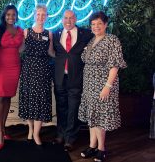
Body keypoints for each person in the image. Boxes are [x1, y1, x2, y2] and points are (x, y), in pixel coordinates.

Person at [78, 11, 127, 162]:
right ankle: (92, 146)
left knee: (99, 117)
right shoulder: (91, 41)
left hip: (103, 84)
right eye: (93, 24)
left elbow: (115, 65)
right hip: (89, 84)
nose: (96, 26)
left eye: (99, 23)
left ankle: (101, 149)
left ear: (106, 24)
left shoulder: (112, 40)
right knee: (92, 116)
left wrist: (107, 86)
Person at [53, 10, 93, 151]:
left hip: (76, 77)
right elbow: (54, 53)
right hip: (60, 77)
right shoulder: (56, 33)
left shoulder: (86, 34)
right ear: (62, 19)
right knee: (61, 106)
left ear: (76, 19)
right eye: (65, 18)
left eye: (71, 18)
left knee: (73, 108)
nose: (68, 21)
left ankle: (70, 138)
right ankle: (60, 134)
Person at [18, 4, 55, 146]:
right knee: (28, 99)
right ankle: (30, 129)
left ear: (47, 17)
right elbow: (21, 49)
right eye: (38, 14)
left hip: (43, 71)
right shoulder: (26, 32)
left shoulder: (49, 34)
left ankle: (36, 134)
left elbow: (50, 52)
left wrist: (66, 56)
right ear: (34, 15)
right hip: (28, 70)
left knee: (41, 101)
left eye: (43, 15)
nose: (41, 17)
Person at [0, 5, 24, 150]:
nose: (11, 17)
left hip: (15, 66)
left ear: (17, 16)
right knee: (0, 97)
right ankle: (0, 132)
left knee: (8, 98)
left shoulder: (20, 31)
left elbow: (22, 48)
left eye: (13, 15)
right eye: (8, 14)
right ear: (4, 15)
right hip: (1, 67)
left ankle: (4, 128)